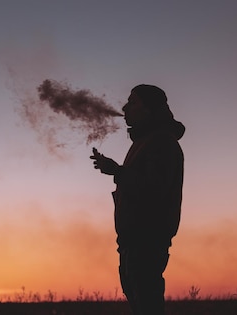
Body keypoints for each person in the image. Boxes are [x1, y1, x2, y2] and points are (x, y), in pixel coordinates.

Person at [90, 84, 185, 315]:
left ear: (150, 109)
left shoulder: (161, 141)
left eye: (133, 103)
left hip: (146, 240)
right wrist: (116, 171)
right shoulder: (146, 142)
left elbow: (154, 189)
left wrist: (117, 172)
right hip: (135, 241)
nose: (125, 108)